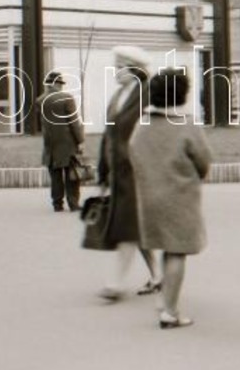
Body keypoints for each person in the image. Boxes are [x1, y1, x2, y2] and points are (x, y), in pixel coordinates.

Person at [130, 68, 211, 329]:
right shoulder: (186, 124)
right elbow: (203, 160)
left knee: (165, 246)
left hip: (149, 195)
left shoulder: (143, 124)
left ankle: (165, 299)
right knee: (177, 252)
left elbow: (132, 152)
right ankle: (170, 312)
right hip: (179, 197)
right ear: (182, 95)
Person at [97, 45, 162, 302]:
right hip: (119, 171)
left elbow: (153, 132)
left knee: (127, 226)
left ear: (134, 70)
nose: (115, 71)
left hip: (138, 170)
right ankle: (158, 275)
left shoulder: (146, 95)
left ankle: (115, 282)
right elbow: (108, 136)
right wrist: (102, 173)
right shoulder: (119, 96)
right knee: (136, 226)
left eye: (120, 67)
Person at [38, 70, 85, 211]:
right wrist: (80, 140)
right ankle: (73, 203)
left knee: (55, 175)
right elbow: (74, 122)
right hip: (68, 142)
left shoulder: (40, 100)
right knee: (72, 175)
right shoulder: (67, 98)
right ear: (58, 84)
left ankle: (57, 203)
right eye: (61, 84)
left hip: (50, 143)